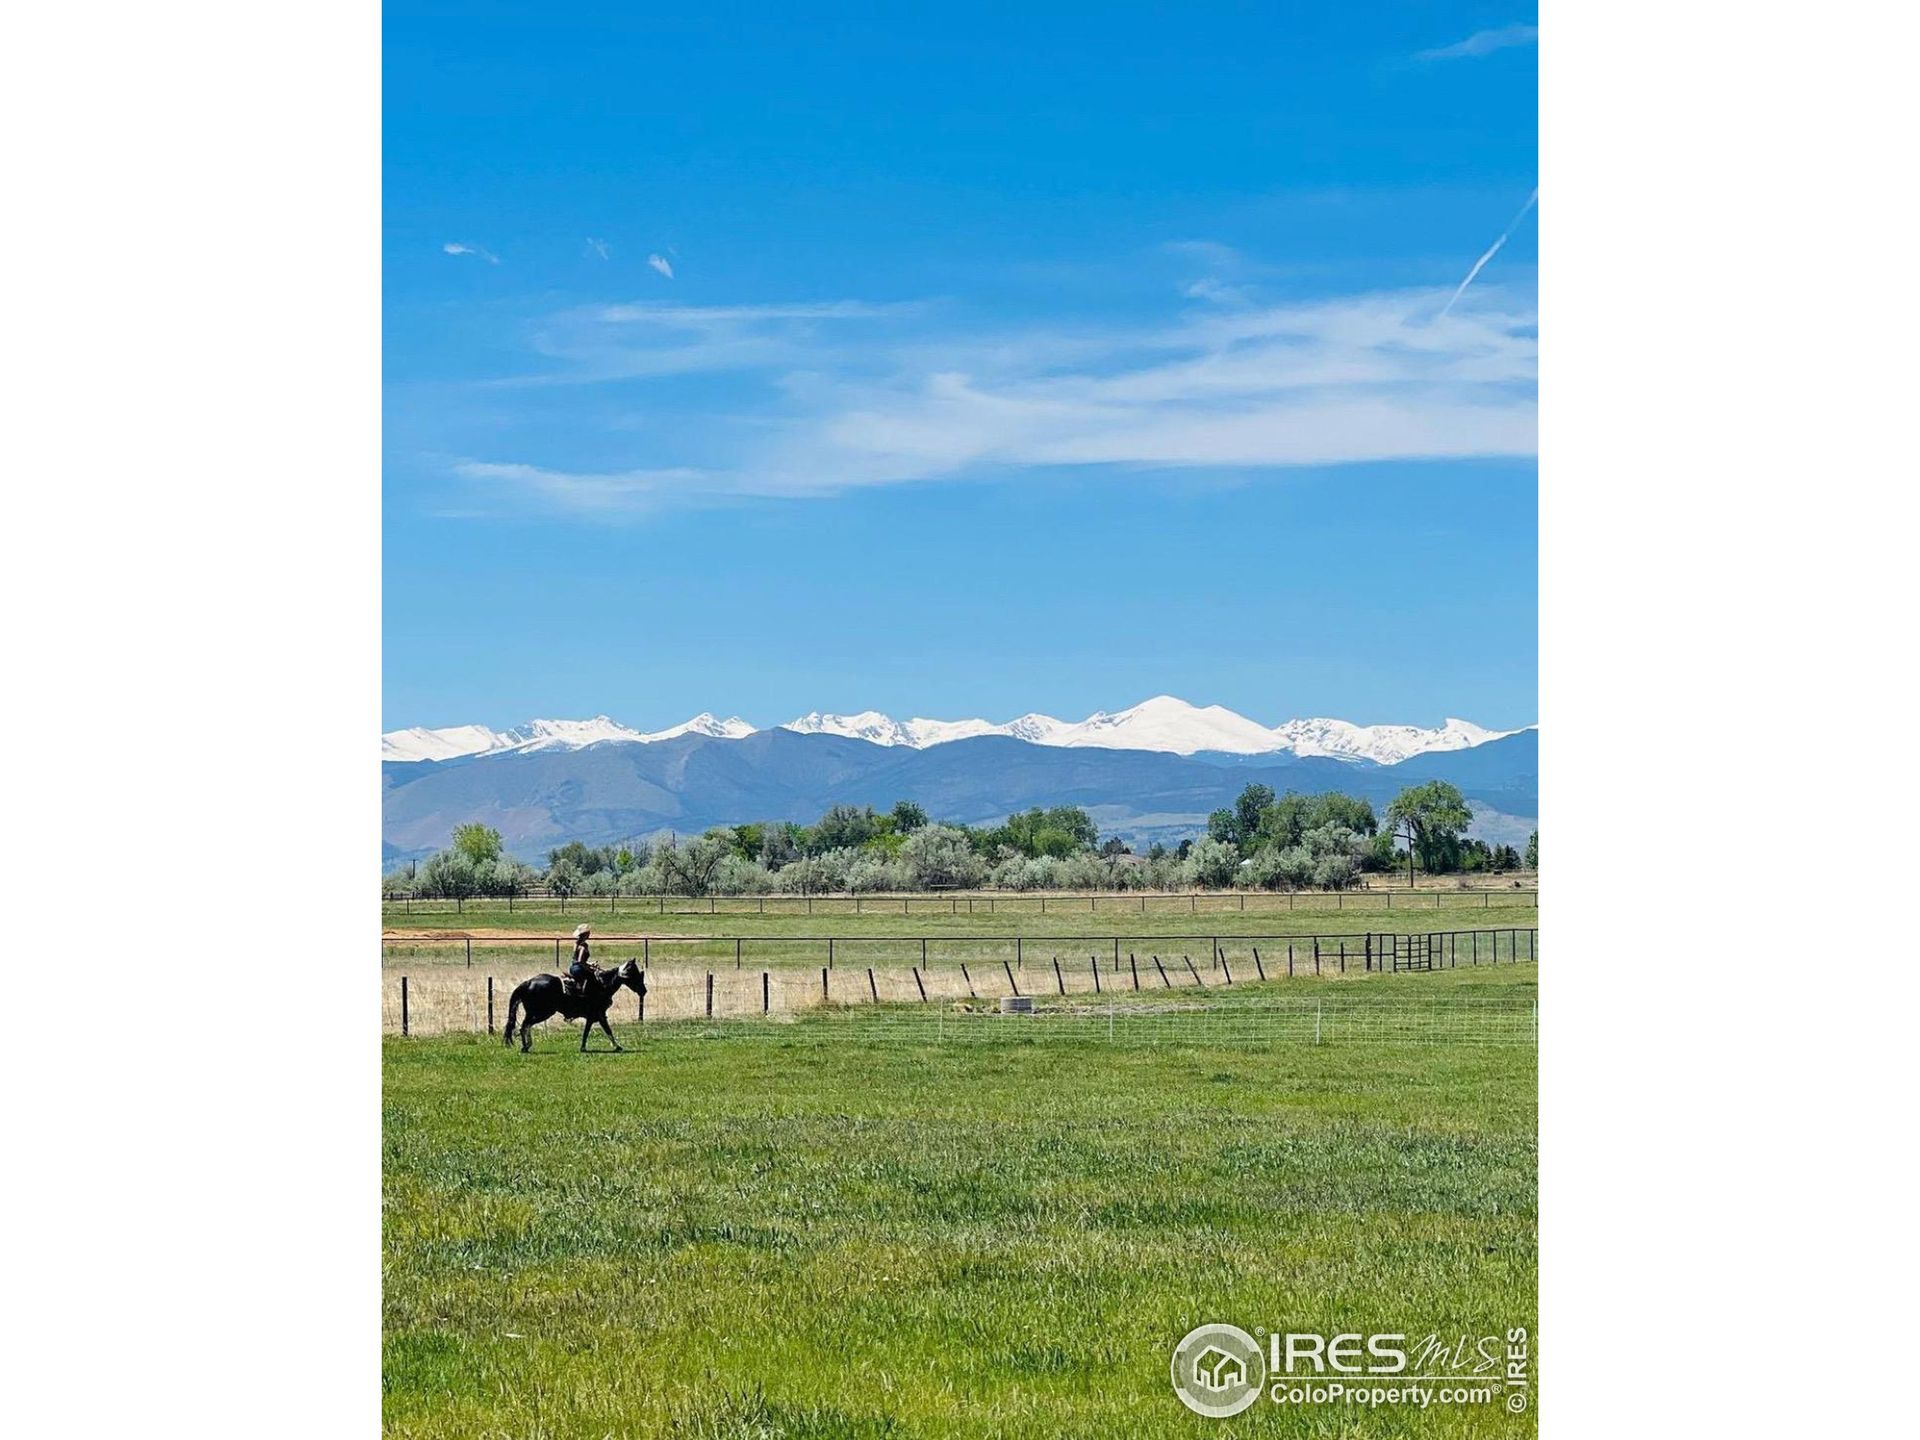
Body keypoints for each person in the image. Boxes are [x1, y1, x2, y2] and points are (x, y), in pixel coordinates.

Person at [564, 923, 593, 997]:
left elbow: (576, 959)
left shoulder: (576, 943)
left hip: (572, 967)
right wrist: (589, 967)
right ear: (586, 934)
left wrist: (589, 964)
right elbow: (580, 961)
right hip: (579, 969)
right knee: (593, 978)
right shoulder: (584, 945)